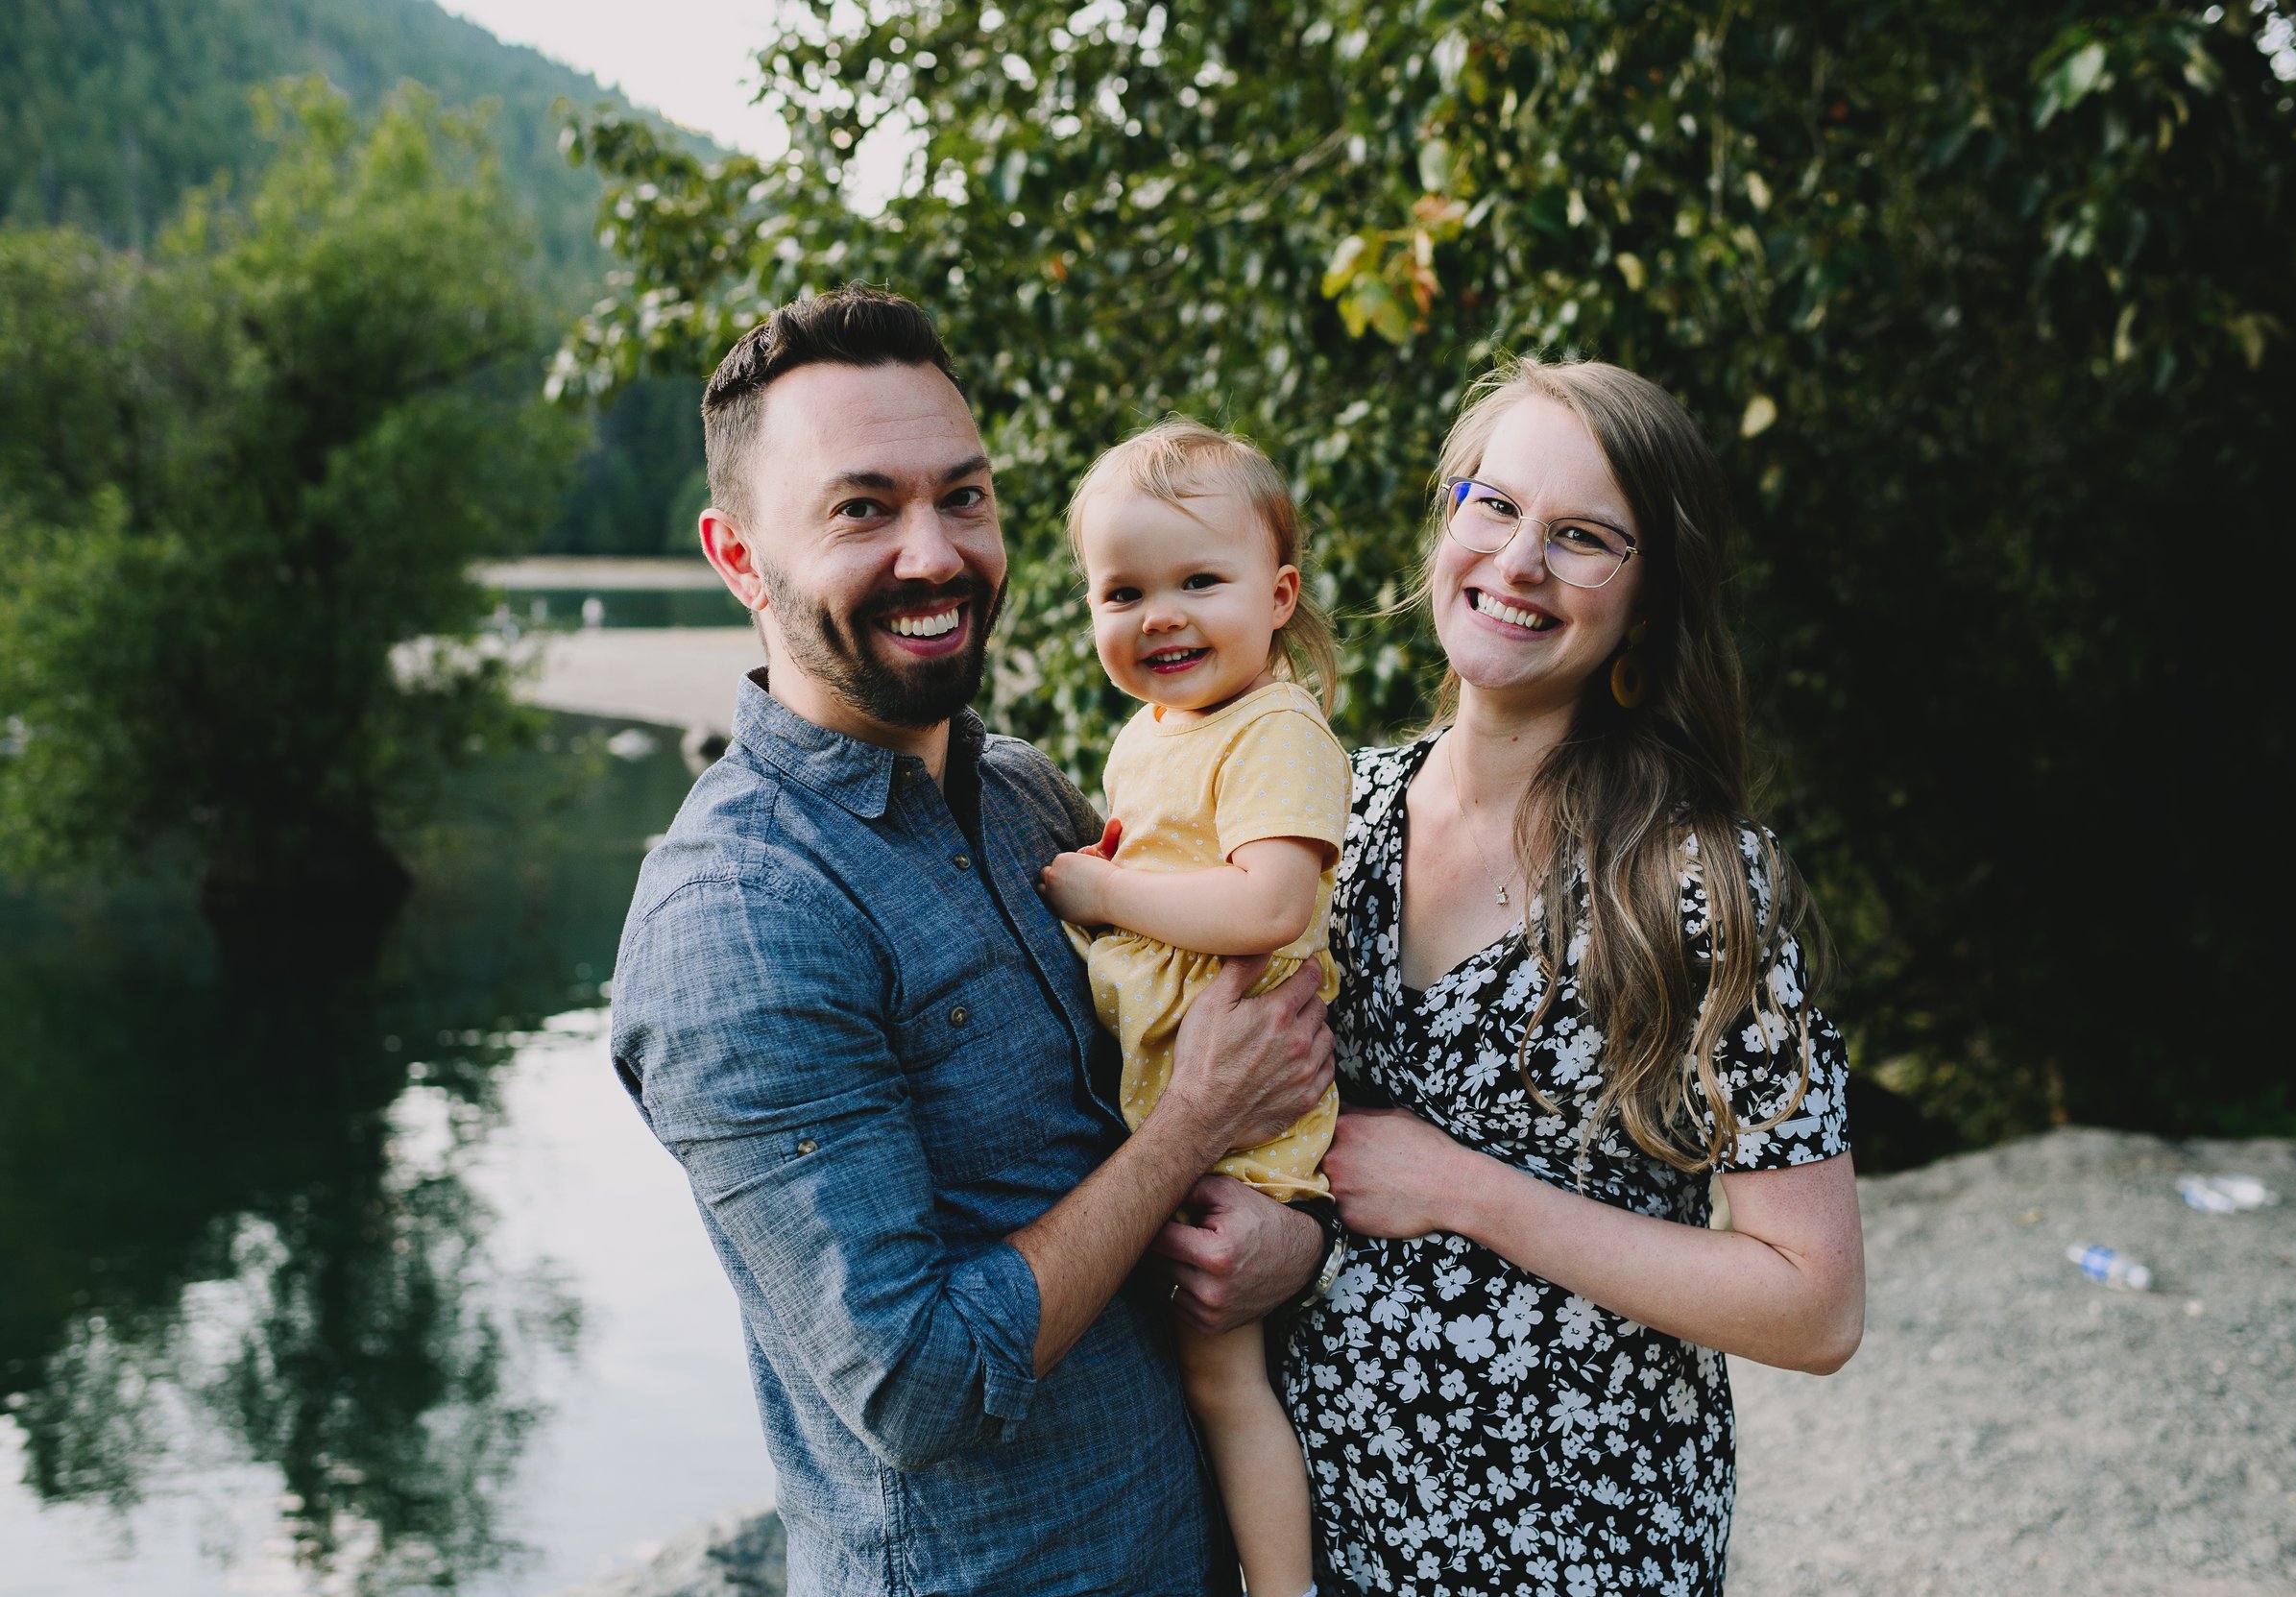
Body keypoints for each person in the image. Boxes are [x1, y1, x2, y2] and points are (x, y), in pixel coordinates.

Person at [606, 284, 1336, 1597]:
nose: (937, 552)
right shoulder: (738, 915)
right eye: (861, 506)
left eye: (966, 495)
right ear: (737, 557)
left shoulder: (1028, 802)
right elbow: (917, 1380)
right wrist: (1190, 1128)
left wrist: (1290, 1241)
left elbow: (1219, 1100)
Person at [1159, 357, 1866, 1596]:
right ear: (1446, 523)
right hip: (1325, 1544)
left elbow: (1813, 1309)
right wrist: (1281, 1238)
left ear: (1648, 600)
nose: (1519, 560)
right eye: (1493, 505)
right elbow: (1297, 1152)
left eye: (1584, 537)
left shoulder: (1693, 884)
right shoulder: (1324, 821)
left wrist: (1466, 1188)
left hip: (1579, 1556)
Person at [1036, 422, 1349, 1597]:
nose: (1158, 615)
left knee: (1225, 1382)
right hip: (1170, 1084)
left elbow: (1269, 900)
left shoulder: (1273, 728)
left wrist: (1103, 888)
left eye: (1197, 582)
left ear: (1275, 597)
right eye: (1123, 591)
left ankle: (1281, 1589)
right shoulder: (1152, 733)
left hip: (1248, 1111)